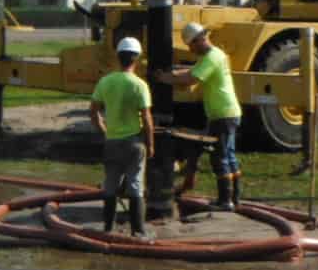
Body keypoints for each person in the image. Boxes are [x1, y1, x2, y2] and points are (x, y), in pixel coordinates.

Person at [158, 20, 243, 210]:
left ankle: (225, 201)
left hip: (222, 114)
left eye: (190, 45)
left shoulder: (211, 57)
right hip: (227, 112)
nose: (190, 50)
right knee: (229, 155)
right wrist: (175, 73)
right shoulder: (213, 56)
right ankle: (235, 198)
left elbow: (191, 79)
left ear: (198, 40)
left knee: (219, 157)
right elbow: (192, 71)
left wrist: (165, 78)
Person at [89, 36, 154, 237]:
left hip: (112, 142)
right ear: (137, 59)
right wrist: (150, 145)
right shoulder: (140, 85)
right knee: (135, 185)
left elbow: (93, 111)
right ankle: (138, 231)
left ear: (118, 57)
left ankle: (108, 228)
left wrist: (104, 131)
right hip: (135, 142)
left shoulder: (105, 82)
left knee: (110, 184)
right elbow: (147, 118)